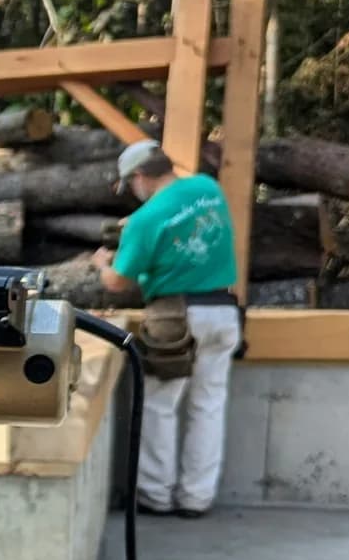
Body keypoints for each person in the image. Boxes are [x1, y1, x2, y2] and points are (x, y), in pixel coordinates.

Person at [96, 138, 241, 519]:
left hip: (175, 317)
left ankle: (156, 495)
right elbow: (184, 227)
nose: (133, 193)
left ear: (140, 176)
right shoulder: (208, 189)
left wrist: (100, 264)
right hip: (223, 310)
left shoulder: (145, 220)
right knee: (208, 405)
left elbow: (117, 282)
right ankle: (196, 498)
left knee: (161, 404)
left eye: (131, 185)